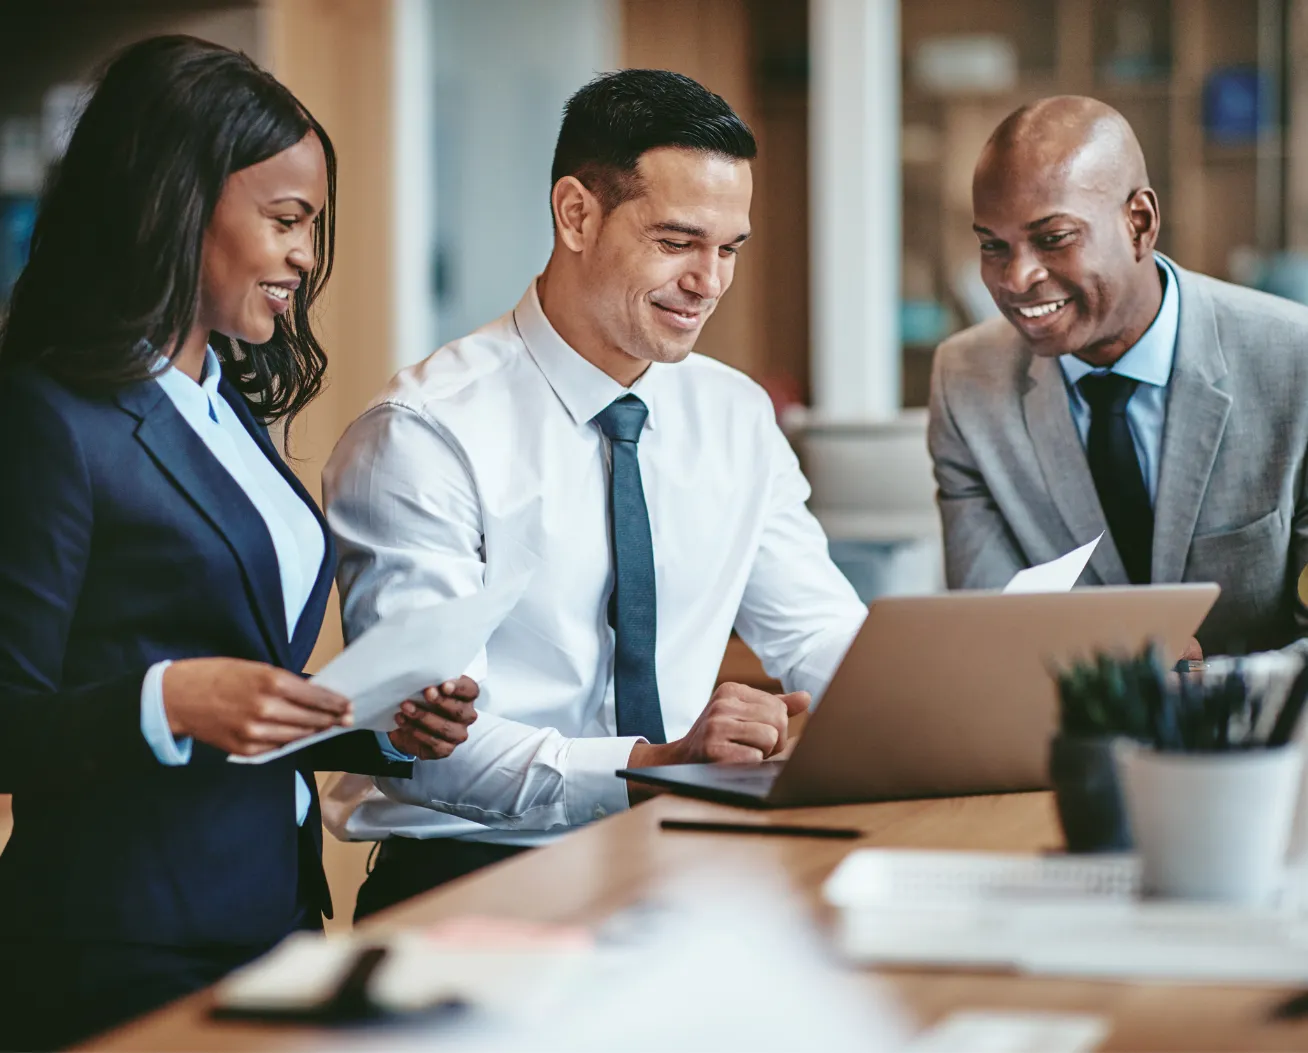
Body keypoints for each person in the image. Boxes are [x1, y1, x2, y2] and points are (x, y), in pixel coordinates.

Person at [0, 36, 477, 1050]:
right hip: (115, 951)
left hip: (271, 920)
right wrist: (168, 698)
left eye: (313, 225)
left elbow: (242, 699)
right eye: (286, 220)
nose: (306, 257)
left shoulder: (224, 407)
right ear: (176, 203)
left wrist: (381, 728)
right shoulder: (49, 418)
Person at [322, 69, 868, 919]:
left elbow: (819, 632)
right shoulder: (425, 433)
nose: (710, 281)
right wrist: (659, 762)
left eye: (730, 249)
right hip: (474, 885)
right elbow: (432, 748)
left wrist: (929, 712)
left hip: (688, 867)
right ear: (576, 214)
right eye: (678, 240)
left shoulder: (734, 415)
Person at [928, 95, 1308, 659]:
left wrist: (1215, 690)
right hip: (1067, 733)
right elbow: (994, 629)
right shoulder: (965, 382)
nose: (1017, 277)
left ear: (1140, 223)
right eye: (993, 246)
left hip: (1260, 735)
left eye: (1053, 238)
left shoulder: (1293, 361)